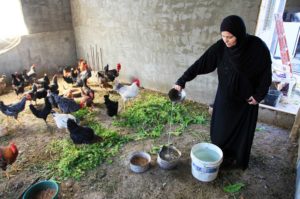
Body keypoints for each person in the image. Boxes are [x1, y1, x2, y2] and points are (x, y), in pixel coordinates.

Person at [174, 15, 272, 170]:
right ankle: (220, 158)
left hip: (246, 103)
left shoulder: (257, 48)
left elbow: (266, 74)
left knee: (241, 137)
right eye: (223, 36)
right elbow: (201, 64)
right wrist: (181, 81)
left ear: (239, 34)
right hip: (225, 99)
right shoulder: (221, 48)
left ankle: (235, 160)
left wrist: (259, 96)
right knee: (219, 133)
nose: (226, 40)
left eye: (230, 37)